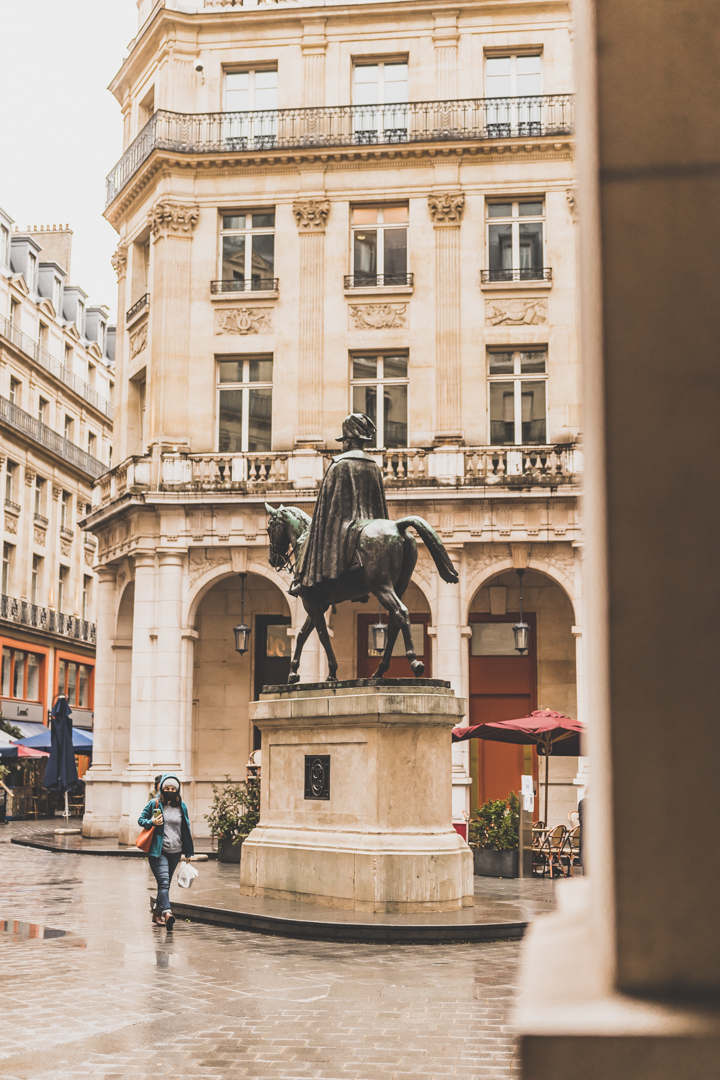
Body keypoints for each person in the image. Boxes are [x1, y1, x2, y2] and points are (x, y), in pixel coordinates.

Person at [294, 412, 388, 593]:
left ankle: (317, 579)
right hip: (371, 522)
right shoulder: (373, 466)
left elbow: (327, 507)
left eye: (344, 440)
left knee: (318, 531)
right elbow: (379, 506)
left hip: (346, 524)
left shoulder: (339, 464)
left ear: (348, 441)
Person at [138, 773, 194, 930]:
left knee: (165, 885)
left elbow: (186, 829)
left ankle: (156, 913)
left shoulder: (181, 806)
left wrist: (188, 853)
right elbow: (141, 820)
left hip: (175, 851)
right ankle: (167, 912)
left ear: (177, 790)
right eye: (167, 788)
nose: (170, 790)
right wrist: (151, 822)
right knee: (163, 882)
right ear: (162, 788)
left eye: (173, 788)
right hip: (158, 851)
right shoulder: (154, 803)